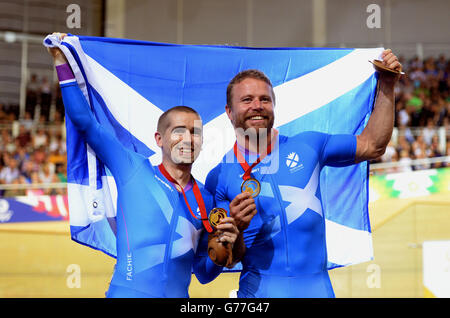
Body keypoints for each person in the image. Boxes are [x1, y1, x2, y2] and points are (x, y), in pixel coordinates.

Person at [47, 33, 245, 298]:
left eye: (195, 132)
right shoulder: (133, 169)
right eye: (178, 131)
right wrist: (61, 60)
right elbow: (85, 123)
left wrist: (222, 252)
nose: (188, 138)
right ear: (159, 139)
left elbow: (204, 273)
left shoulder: (206, 199)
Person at [205, 50, 402, 297]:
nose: (257, 106)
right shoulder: (219, 178)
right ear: (229, 111)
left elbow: (372, 144)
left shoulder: (309, 146)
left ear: (274, 106)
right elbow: (226, 260)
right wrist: (236, 230)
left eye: (265, 99)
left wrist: (387, 84)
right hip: (259, 293)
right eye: (247, 100)